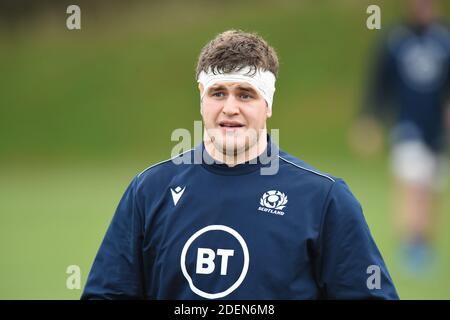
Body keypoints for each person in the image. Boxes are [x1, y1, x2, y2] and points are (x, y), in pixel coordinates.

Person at [82, 30, 398, 299]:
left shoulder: (323, 199)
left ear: (267, 105)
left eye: (245, 95)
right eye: (218, 93)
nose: (230, 108)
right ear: (202, 100)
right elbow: (107, 293)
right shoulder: (148, 191)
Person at [350, 0, 450, 273]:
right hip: (406, 125)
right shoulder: (395, 40)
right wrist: (369, 119)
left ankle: (424, 243)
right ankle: (410, 244)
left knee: (431, 188)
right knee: (411, 185)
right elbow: (378, 83)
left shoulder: (445, 41)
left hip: (436, 131)